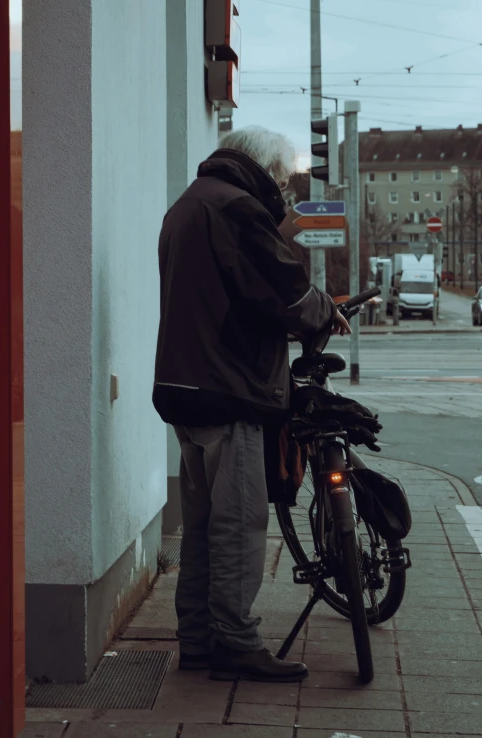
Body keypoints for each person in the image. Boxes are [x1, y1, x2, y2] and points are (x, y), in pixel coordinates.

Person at [153, 125, 350, 682]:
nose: (285, 190)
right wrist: (321, 309)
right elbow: (283, 289)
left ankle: (197, 640)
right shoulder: (237, 209)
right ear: (262, 167)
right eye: (283, 178)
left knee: (201, 526)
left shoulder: (186, 206)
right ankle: (236, 644)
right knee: (237, 525)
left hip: (183, 387)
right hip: (228, 388)